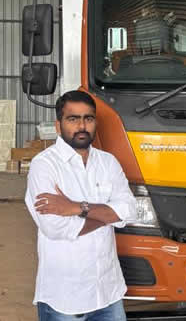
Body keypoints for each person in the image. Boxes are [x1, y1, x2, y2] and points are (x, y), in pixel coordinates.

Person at [25, 90, 137, 320]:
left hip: (108, 292)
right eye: (73, 119)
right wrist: (108, 216)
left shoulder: (108, 162)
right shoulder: (44, 166)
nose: (82, 126)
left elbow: (131, 210)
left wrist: (78, 208)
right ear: (58, 125)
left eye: (88, 118)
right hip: (65, 298)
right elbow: (55, 227)